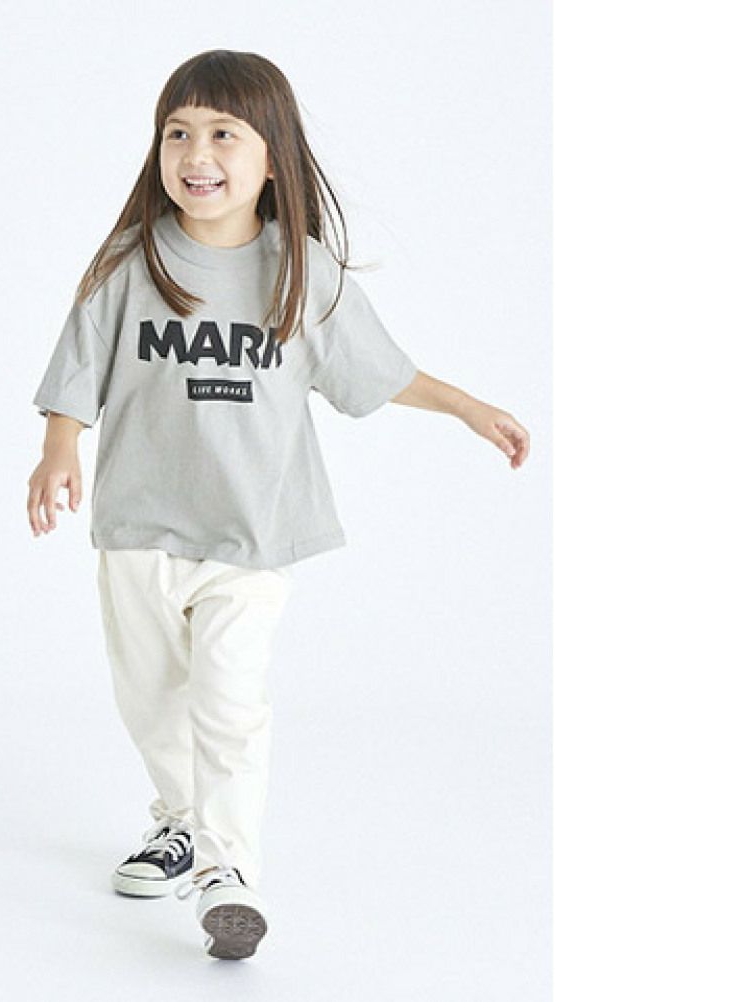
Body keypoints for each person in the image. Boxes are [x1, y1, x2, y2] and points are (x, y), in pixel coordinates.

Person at [26, 49, 530, 961]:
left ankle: (228, 872)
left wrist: (466, 407)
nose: (196, 153)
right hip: (139, 528)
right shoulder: (131, 262)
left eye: (224, 133)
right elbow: (78, 369)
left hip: (252, 537)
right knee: (151, 701)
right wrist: (60, 446)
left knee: (229, 703)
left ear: (271, 157)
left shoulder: (300, 270)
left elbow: (378, 371)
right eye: (178, 132)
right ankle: (178, 822)